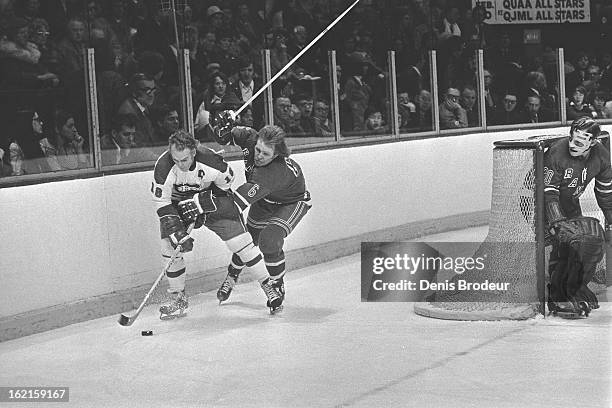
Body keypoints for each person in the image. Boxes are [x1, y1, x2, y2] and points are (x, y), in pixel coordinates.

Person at [152, 130, 283, 318]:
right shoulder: (164, 167)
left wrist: (203, 203)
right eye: (176, 159)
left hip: (209, 201)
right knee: (170, 248)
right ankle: (178, 299)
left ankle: (269, 286)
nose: (180, 165)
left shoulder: (212, 162)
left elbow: (226, 185)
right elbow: (162, 203)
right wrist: (176, 232)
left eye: (185, 160)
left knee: (241, 243)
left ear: (194, 152)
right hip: (177, 207)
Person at [202, 117, 311, 311]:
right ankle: (232, 276)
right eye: (258, 150)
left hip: (291, 203)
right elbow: (226, 137)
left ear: (276, 155)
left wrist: (203, 209)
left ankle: (277, 285)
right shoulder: (251, 138)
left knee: (269, 240)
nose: (258, 156)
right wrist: (222, 127)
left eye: (266, 154)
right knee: (246, 239)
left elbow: (234, 206)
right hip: (265, 200)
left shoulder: (272, 173)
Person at [544, 117, 612, 317]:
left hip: (569, 204)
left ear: (592, 142)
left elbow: (606, 194)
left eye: (580, 142)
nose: (573, 145)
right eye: (572, 139)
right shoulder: (557, 152)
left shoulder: (601, 156)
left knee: (591, 241)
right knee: (571, 242)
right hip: (536, 203)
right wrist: (556, 221)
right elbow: (548, 192)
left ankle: (573, 289)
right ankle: (559, 296)